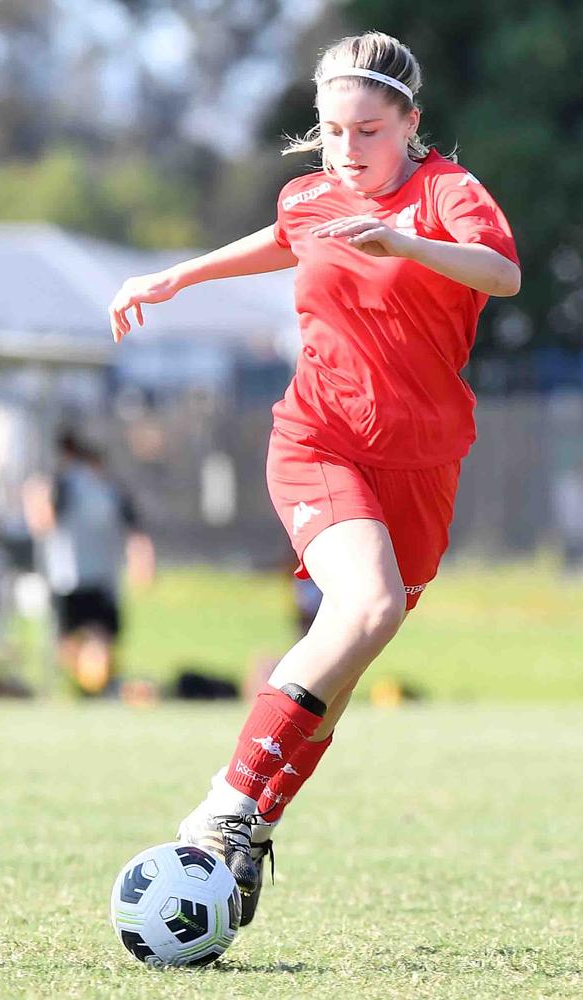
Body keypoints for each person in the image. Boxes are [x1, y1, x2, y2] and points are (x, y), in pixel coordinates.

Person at [108, 30, 520, 924]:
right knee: (361, 609)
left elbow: (503, 272)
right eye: (332, 130)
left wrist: (404, 245)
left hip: (423, 462)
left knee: (343, 663)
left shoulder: (445, 191)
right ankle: (223, 807)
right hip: (318, 439)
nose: (346, 150)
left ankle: (252, 825)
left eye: (367, 131)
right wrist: (176, 274)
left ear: (410, 125)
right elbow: (284, 234)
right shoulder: (315, 193)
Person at [23, 432, 154, 696]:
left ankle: (92, 687)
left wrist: (35, 496)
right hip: (89, 578)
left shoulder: (73, 487)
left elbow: (41, 523)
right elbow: (136, 533)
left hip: (78, 578)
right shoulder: (101, 488)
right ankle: (89, 686)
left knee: (85, 643)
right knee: (86, 643)